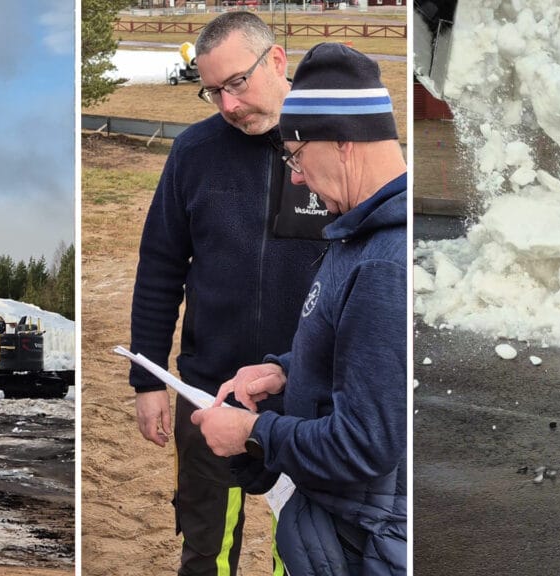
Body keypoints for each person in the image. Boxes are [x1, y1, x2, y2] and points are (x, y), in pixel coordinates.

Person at [127, 11, 334, 576]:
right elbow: (160, 268)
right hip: (207, 393)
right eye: (212, 91)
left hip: (307, 401)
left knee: (305, 550)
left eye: (236, 84)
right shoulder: (193, 153)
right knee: (206, 551)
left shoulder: (331, 145)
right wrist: (148, 379)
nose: (227, 105)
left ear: (276, 60)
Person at [190, 42, 408, 576]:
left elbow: (366, 444)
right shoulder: (356, 236)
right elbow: (366, 361)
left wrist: (252, 434)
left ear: (342, 143)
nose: (295, 176)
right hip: (335, 534)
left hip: (362, 546)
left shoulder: (385, 264)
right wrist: (287, 369)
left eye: (295, 154)